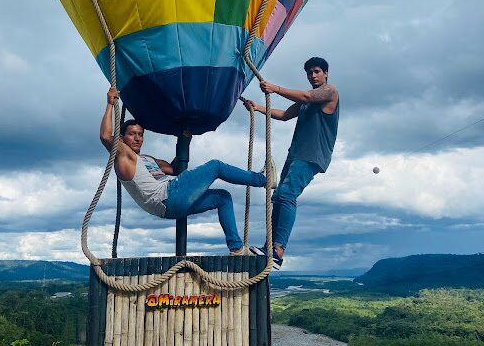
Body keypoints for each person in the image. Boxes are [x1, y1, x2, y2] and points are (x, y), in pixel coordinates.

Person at [101, 87, 267, 255]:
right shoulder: (123, 157)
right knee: (216, 166)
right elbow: (106, 136)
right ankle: (263, 180)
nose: (137, 138)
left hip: (170, 207)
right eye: (132, 134)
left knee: (223, 197)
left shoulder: (149, 159)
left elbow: (174, 169)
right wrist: (109, 104)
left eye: (140, 134)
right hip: (167, 195)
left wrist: (185, 137)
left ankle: (237, 249)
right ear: (122, 138)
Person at [243, 56, 339, 269]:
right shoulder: (307, 102)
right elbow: (285, 115)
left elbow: (306, 96)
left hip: (312, 155)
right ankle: (271, 248)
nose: (313, 76)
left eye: (316, 71)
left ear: (326, 73)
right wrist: (258, 107)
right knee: (278, 197)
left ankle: (278, 251)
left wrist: (275, 88)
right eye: (309, 73)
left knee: (286, 195)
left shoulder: (329, 92)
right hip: (296, 154)